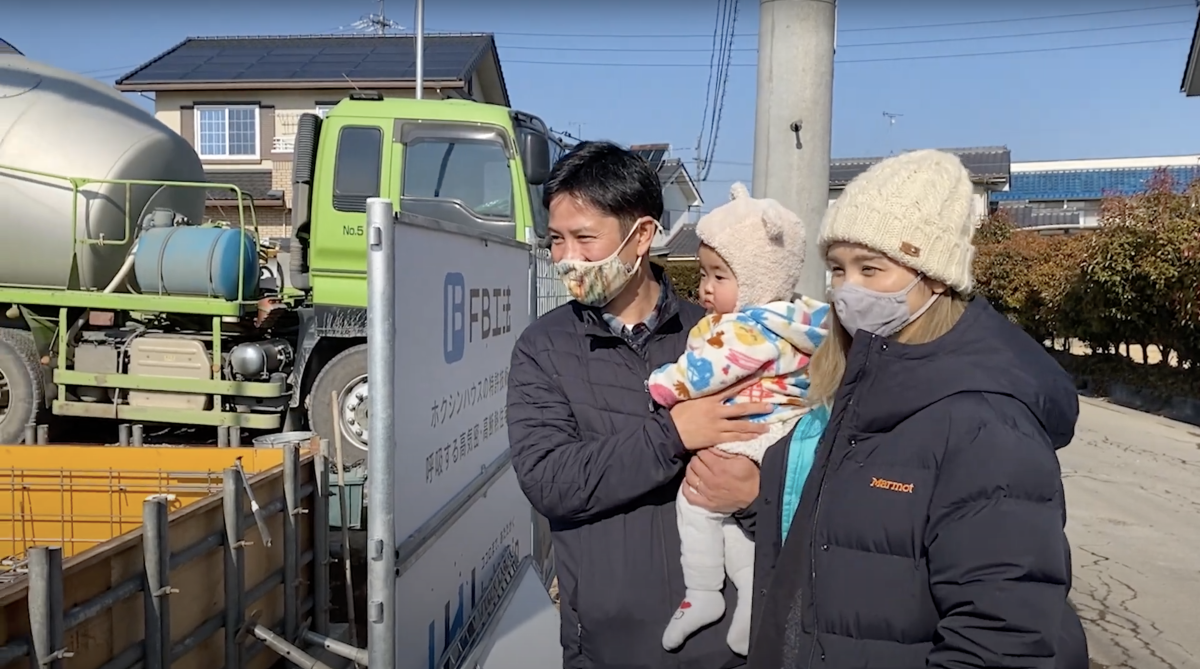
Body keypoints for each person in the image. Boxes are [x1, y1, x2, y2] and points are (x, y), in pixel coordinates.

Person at [746, 149, 1090, 668]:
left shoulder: (985, 421)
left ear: (934, 277)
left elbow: (1002, 635)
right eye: (838, 270)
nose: (847, 290)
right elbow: (848, 539)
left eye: (871, 268)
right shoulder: (858, 382)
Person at [506, 141, 766, 669]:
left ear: (641, 235)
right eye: (556, 240)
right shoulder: (544, 348)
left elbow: (793, 460)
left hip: (729, 645)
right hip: (607, 645)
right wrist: (672, 435)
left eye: (584, 238)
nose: (566, 258)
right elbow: (550, 481)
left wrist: (758, 495)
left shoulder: (722, 339)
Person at [646, 183, 829, 656]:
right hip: (775, 428)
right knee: (730, 524)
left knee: (697, 502)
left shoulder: (748, 329)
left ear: (756, 276)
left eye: (718, 275)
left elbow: (702, 374)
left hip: (750, 431)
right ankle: (749, 598)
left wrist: (661, 385)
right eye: (704, 274)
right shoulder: (793, 317)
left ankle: (703, 593)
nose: (704, 287)